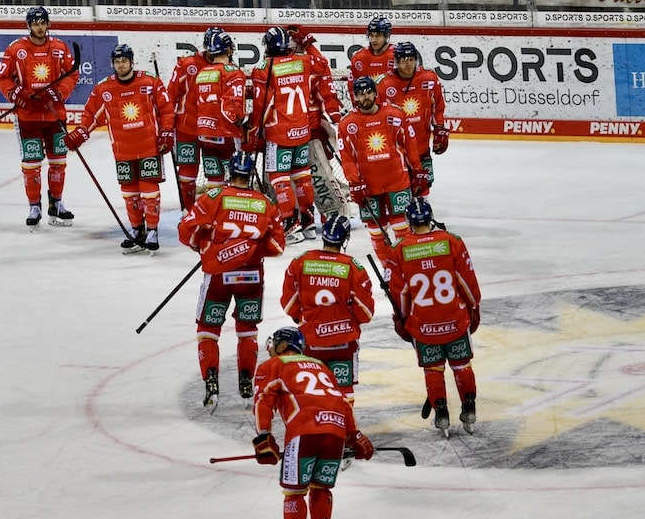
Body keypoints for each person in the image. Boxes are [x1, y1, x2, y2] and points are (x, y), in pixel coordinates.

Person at [251, 325, 375, 519]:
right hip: (336, 431)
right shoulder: (321, 367)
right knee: (321, 487)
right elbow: (340, 400)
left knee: (294, 491)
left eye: (276, 343)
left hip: (304, 432)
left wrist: (262, 436)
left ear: (284, 345)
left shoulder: (273, 365)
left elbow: (263, 400)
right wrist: (354, 435)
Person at [178, 150, 286, 409]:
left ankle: (211, 382)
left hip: (218, 276)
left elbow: (186, 230)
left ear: (229, 173)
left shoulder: (215, 196)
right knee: (247, 331)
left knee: (207, 330)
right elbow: (277, 246)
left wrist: (203, 246)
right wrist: (252, 250)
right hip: (250, 276)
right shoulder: (264, 202)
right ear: (249, 176)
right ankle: (246, 382)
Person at [63, 43, 175, 254]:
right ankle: (136, 231)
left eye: (124, 61)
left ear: (131, 62)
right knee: (130, 193)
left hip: (149, 147)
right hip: (123, 150)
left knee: (149, 192)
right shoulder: (104, 88)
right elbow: (90, 116)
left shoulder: (150, 81)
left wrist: (167, 132)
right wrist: (79, 134)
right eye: (117, 61)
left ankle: (152, 231)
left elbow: (166, 109)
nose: (121, 65)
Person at [385, 197, 482, 435]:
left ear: (409, 221)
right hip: (455, 320)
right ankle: (469, 409)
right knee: (461, 366)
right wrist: (473, 309)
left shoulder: (399, 249)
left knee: (433, 370)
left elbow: (400, 294)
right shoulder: (452, 241)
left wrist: (402, 321)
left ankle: (441, 414)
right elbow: (466, 283)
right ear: (430, 218)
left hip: (424, 325)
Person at [249, 26, 341, 243]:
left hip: (278, 134)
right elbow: (322, 65)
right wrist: (308, 43)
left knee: (279, 178)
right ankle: (308, 220)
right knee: (301, 175)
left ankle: (291, 222)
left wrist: (253, 132)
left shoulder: (264, 68)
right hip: (302, 131)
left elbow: (261, 106)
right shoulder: (304, 62)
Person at [0, 6, 79, 229]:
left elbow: (71, 74)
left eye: (42, 23)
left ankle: (57, 203)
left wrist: (58, 93)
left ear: (48, 24)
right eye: (35, 23)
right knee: (31, 164)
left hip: (54, 115)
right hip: (28, 117)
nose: (39, 27)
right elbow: (3, 78)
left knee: (58, 162)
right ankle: (34, 206)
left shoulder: (59, 48)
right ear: (29, 25)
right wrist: (17, 94)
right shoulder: (16, 49)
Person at [280, 214, 375, 401]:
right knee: (344, 391)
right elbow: (365, 313)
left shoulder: (301, 261)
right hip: (344, 342)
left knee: (312, 393)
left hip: (311, 340)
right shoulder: (354, 267)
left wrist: (303, 319)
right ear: (345, 238)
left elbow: (289, 302)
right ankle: (344, 429)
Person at [337, 75, 425, 263]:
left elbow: (409, 144)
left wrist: (417, 170)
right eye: (360, 94)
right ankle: (390, 271)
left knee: (402, 226)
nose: (365, 97)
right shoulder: (347, 124)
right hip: (369, 187)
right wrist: (355, 183)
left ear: (376, 93)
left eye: (369, 92)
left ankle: (408, 266)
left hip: (397, 182)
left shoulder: (394, 114)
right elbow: (347, 159)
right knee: (377, 231)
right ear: (354, 97)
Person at [376, 41, 448, 198]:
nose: (408, 64)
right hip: (397, 149)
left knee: (423, 186)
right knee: (400, 191)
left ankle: (422, 212)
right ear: (396, 62)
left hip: (422, 145)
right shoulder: (384, 83)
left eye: (411, 59)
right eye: (403, 60)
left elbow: (439, 107)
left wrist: (439, 129)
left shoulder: (429, 78)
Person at [167, 27, 223, 212]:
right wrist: (166, 126)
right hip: (187, 128)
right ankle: (188, 211)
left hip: (212, 129)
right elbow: (171, 94)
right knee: (187, 172)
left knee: (215, 172)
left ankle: (215, 212)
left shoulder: (225, 66)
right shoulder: (187, 63)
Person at [190, 28, 247, 192]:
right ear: (228, 49)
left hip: (204, 134)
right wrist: (242, 125)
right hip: (225, 134)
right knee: (234, 180)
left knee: (214, 180)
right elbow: (234, 109)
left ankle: (215, 215)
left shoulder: (202, 72)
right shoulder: (233, 72)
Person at [348, 17, 396, 94]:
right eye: (371, 35)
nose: (373, 40)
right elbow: (352, 84)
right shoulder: (359, 57)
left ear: (387, 36)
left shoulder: (397, 56)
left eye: (378, 36)